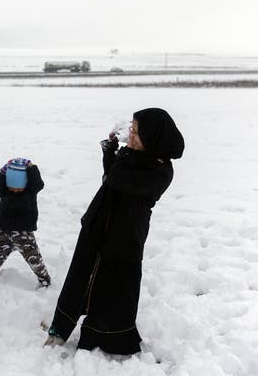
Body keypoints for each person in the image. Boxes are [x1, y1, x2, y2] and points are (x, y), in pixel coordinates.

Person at [45, 108, 184, 355]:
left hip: (125, 236)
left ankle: (108, 337)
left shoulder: (161, 170)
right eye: (131, 129)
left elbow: (119, 179)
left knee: (113, 288)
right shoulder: (131, 156)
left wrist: (121, 155)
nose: (131, 135)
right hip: (98, 224)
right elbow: (110, 176)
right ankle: (60, 327)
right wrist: (110, 151)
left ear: (153, 137)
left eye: (137, 133)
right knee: (79, 278)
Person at [0, 158, 51, 287]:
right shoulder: (4, 189)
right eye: (11, 188)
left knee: (34, 259)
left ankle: (45, 280)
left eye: (18, 189)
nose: (14, 191)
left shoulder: (31, 190)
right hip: (4, 231)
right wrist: (1, 173)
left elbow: (38, 183)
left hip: (24, 234)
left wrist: (32, 167)